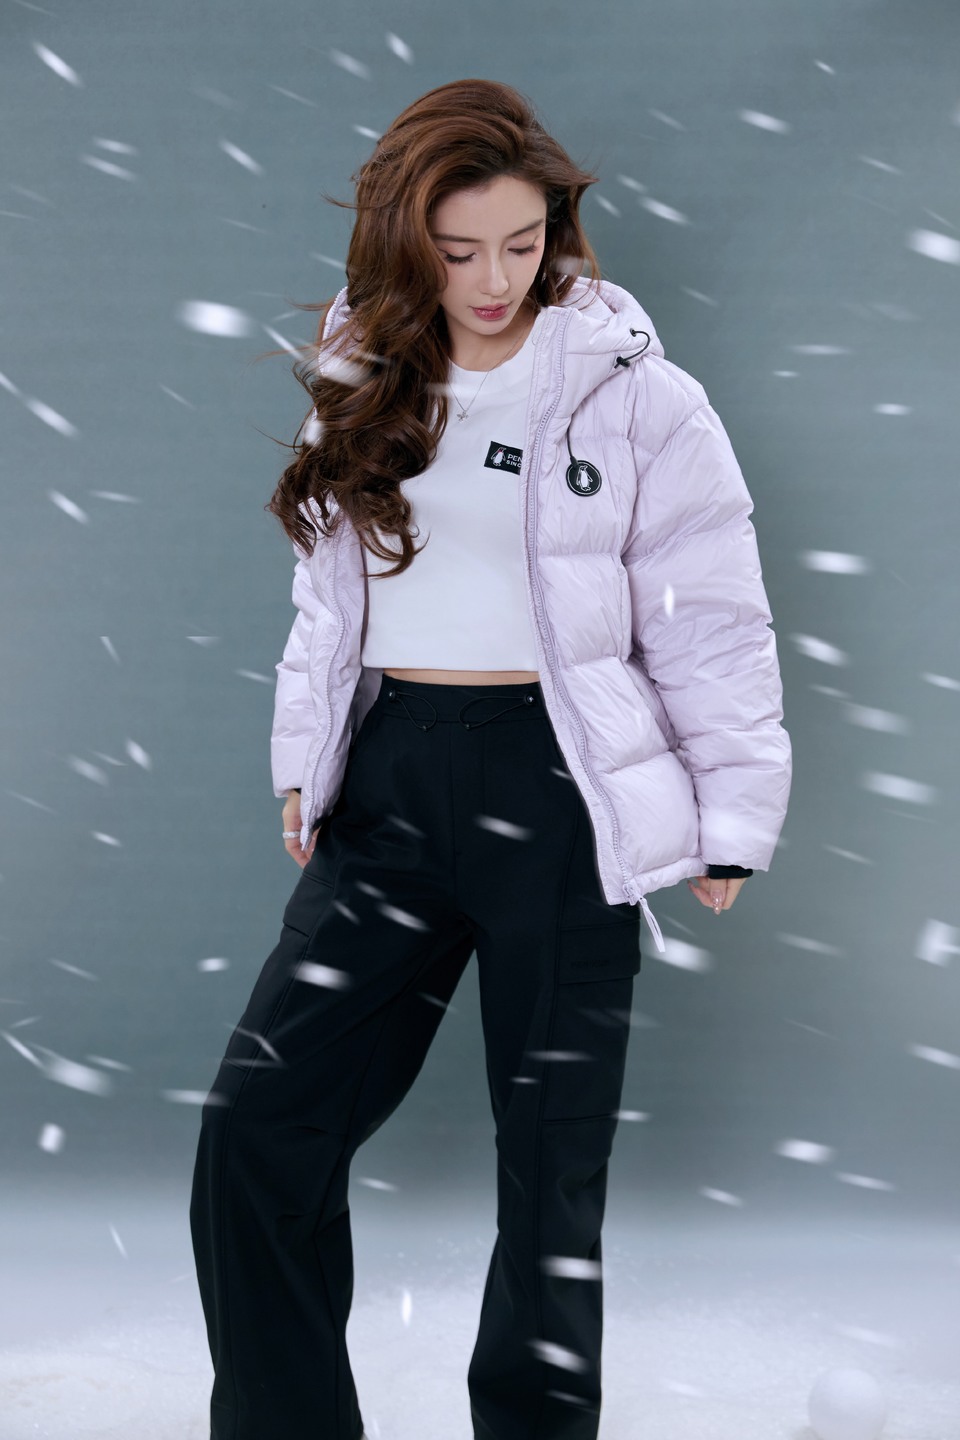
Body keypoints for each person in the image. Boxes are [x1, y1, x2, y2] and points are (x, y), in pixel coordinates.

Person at [190, 77, 792, 1440]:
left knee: (549, 1176)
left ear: (556, 232)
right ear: (407, 244)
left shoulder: (639, 397)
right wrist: (305, 758)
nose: (493, 279)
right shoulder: (366, 376)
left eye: (520, 244)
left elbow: (711, 611)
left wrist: (732, 812)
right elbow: (326, 601)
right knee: (257, 1129)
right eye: (458, 250)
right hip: (393, 783)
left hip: (561, 789)